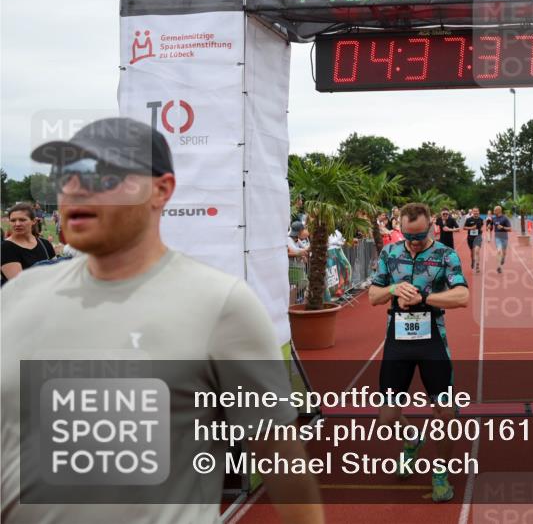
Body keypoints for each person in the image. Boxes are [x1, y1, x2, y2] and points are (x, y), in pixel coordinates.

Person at [1, 117, 323, 524]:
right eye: (66, 175)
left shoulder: (220, 305)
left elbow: (281, 460)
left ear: (161, 189)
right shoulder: (17, 297)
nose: (76, 188)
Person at [368, 203, 469, 503]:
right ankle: (412, 440)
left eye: (420, 234)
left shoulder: (445, 255)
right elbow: (374, 295)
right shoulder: (390, 254)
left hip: (432, 341)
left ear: (431, 227)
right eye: (408, 235)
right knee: (387, 418)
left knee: (446, 413)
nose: (413, 240)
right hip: (397, 340)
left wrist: (427, 296)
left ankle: (440, 473)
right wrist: (394, 290)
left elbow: (462, 295)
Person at [1, 202, 55, 285]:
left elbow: (57, 273)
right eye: (13, 220)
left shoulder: (45, 244)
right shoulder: (6, 248)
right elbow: (20, 284)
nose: (17, 224)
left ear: (33, 221)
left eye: (22, 220)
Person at [463, 207, 485, 273]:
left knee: (477, 251)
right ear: (472, 212)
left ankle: (477, 266)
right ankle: (473, 260)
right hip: (470, 238)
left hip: (478, 237)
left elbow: (481, 227)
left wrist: (480, 230)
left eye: (477, 211)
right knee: (472, 253)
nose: (476, 212)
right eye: (474, 211)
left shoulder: (481, 220)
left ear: (479, 212)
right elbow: (464, 227)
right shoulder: (468, 219)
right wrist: (471, 228)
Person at [492, 205, 513, 273]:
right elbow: (491, 225)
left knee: (504, 253)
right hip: (497, 237)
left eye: (495, 210)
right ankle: (499, 267)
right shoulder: (494, 218)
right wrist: (488, 227)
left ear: (499, 211)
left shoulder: (505, 218)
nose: (494, 211)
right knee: (499, 251)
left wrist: (503, 227)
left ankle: (503, 258)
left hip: (504, 237)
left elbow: (510, 229)